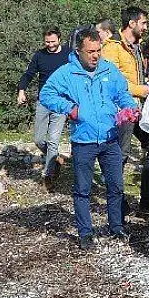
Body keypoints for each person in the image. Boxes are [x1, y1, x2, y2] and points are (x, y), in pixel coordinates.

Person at [40, 27, 139, 250]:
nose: (95, 55)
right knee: (83, 190)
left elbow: (123, 93)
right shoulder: (67, 73)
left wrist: (130, 108)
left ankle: (116, 227)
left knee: (116, 187)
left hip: (110, 138)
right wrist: (69, 109)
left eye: (98, 50)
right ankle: (85, 233)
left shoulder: (109, 70)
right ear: (78, 51)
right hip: (83, 141)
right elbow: (46, 94)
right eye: (90, 51)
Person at [102, 7, 149, 214]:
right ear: (132, 23)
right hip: (122, 110)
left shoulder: (136, 47)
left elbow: (134, 74)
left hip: (137, 108)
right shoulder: (112, 48)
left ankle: (147, 199)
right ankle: (116, 202)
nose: (146, 27)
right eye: (144, 23)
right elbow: (111, 80)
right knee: (121, 155)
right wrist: (140, 89)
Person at [17, 27, 71, 191]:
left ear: (59, 39)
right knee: (39, 140)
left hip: (61, 102)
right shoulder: (39, 55)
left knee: (53, 141)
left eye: (53, 41)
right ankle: (55, 159)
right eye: (47, 42)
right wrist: (21, 90)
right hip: (44, 101)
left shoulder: (69, 54)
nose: (50, 44)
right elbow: (29, 74)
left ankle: (49, 176)